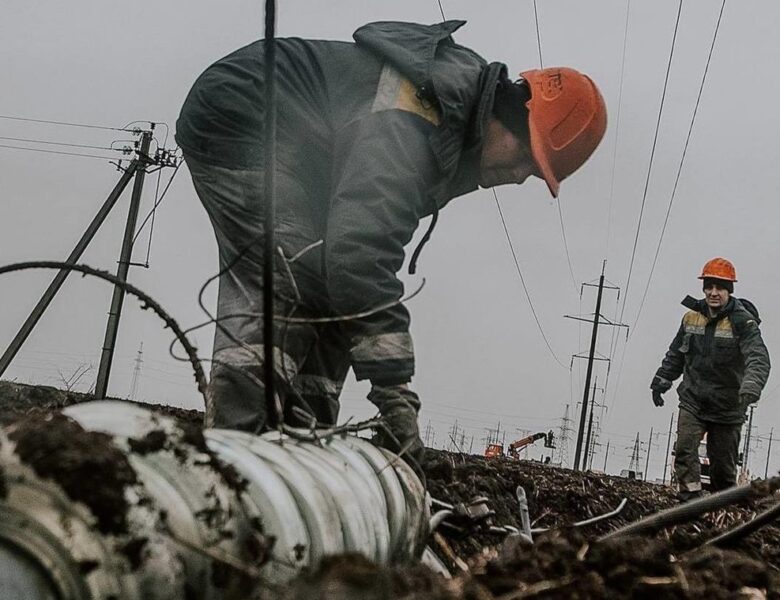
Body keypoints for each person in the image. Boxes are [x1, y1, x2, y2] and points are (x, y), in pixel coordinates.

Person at [176, 20, 607, 462]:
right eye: (526, 158)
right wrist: (395, 393)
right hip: (245, 115)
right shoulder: (416, 116)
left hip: (306, 150)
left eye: (533, 175)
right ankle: (232, 457)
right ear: (508, 117)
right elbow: (361, 253)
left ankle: (301, 450)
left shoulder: (448, 136)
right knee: (292, 272)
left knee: (333, 289)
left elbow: (353, 272)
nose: (518, 178)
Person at [651, 258, 770, 500]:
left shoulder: (743, 322)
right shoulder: (691, 319)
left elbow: (758, 358)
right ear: (704, 288)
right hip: (694, 399)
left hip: (728, 406)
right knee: (684, 449)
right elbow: (676, 354)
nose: (714, 293)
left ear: (729, 291)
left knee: (723, 470)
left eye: (720, 288)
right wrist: (662, 380)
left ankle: (722, 509)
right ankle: (690, 500)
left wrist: (751, 386)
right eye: (709, 287)